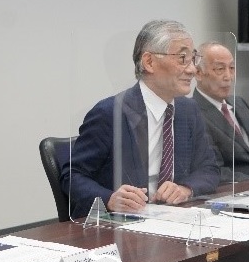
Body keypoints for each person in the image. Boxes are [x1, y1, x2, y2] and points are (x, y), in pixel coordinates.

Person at [61, 20, 219, 218]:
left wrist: (186, 188)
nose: (192, 70)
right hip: (120, 226)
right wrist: (109, 198)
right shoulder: (110, 113)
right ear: (149, 62)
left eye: (193, 58)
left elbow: (209, 168)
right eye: (182, 58)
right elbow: (71, 176)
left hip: (173, 219)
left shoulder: (188, 110)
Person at [192, 41, 249, 184]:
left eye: (232, 68)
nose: (229, 76)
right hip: (244, 187)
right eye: (220, 69)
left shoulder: (238, 102)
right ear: (198, 73)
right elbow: (216, 170)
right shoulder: (193, 113)